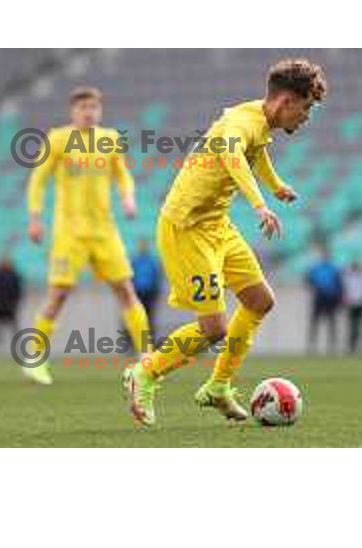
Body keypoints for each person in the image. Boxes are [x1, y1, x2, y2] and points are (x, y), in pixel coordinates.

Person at [123, 59, 328, 426]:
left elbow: (255, 152)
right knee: (213, 328)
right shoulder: (238, 123)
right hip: (187, 228)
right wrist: (260, 205)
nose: (308, 116)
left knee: (259, 301)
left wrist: (276, 185)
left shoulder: (259, 119)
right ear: (285, 102)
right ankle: (146, 373)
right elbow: (233, 157)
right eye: (306, 107)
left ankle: (218, 386)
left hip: (217, 224)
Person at [25, 86, 151, 385]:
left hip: (105, 231)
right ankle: (34, 359)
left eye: (93, 107)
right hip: (69, 233)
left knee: (126, 290)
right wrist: (34, 218)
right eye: (83, 107)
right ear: (73, 111)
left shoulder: (110, 140)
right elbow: (38, 181)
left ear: (100, 110)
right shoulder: (58, 139)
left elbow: (122, 175)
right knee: (58, 295)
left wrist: (128, 198)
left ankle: (148, 356)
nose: (89, 112)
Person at [305, 248, 343, 354]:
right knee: (315, 322)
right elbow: (308, 279)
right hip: (319, 297)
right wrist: (316, 287)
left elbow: (339, 284)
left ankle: (332, 345)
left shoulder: (334, 268)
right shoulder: (316, 268)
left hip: (331, 298)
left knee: (331, 322)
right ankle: (312, 345)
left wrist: (339, 298)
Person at [0, 256, 23, 353]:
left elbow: (18, 291)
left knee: (14, 327)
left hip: (11, 307)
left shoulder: (14, 275)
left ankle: (17, 347)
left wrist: (16, 303)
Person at [131, 238, 162, 338]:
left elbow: (157, 276)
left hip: (149, 293)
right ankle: (136, 341)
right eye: (141, 245)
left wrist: (156, 291)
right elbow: (131, 277)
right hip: (137, 292)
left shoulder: (152, 260)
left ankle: (149, 341)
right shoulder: (135, 260)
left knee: (149, 318)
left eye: (144, 245)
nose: (142, 247)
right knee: (137, 317)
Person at [343, 261, 362, 354]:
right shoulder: (348, 278)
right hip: (351, 304)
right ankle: (352, 346)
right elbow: (346, 291)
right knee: (352, 326)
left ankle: (356, 346)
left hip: (361, 303)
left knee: (358, 326)